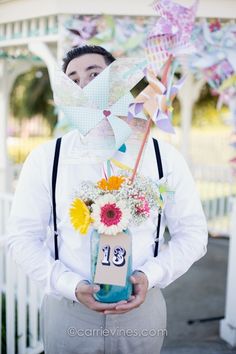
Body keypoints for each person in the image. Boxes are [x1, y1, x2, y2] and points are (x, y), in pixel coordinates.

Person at [7, 45, 208, 354]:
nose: (84, 84)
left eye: (94, 74)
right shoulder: (48, 158)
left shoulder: (161, 157)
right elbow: (21, 238)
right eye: (73, 79)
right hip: (69, 310)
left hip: (142, 312)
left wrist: (148, 276)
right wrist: (69, 285)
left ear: (118, 83)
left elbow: (193, 234)